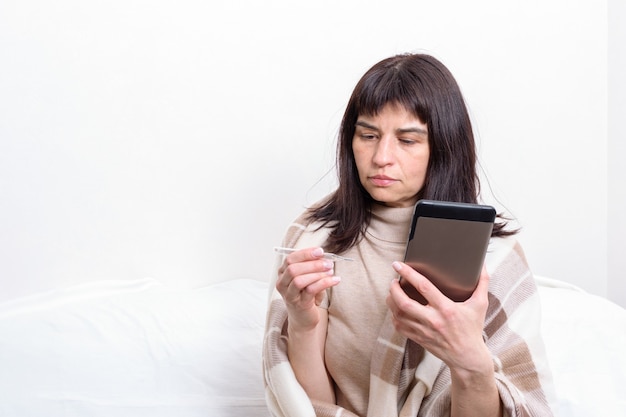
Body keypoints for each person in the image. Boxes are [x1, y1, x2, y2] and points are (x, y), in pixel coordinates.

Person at [262, 53, 554, 417]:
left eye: (408, 140)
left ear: (444, 148)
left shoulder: (495, 256)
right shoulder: (314, 237)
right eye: (368, 135)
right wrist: (303, 322)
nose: (381, 156)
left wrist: (471, 364)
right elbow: (313, 407)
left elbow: (522, 405)